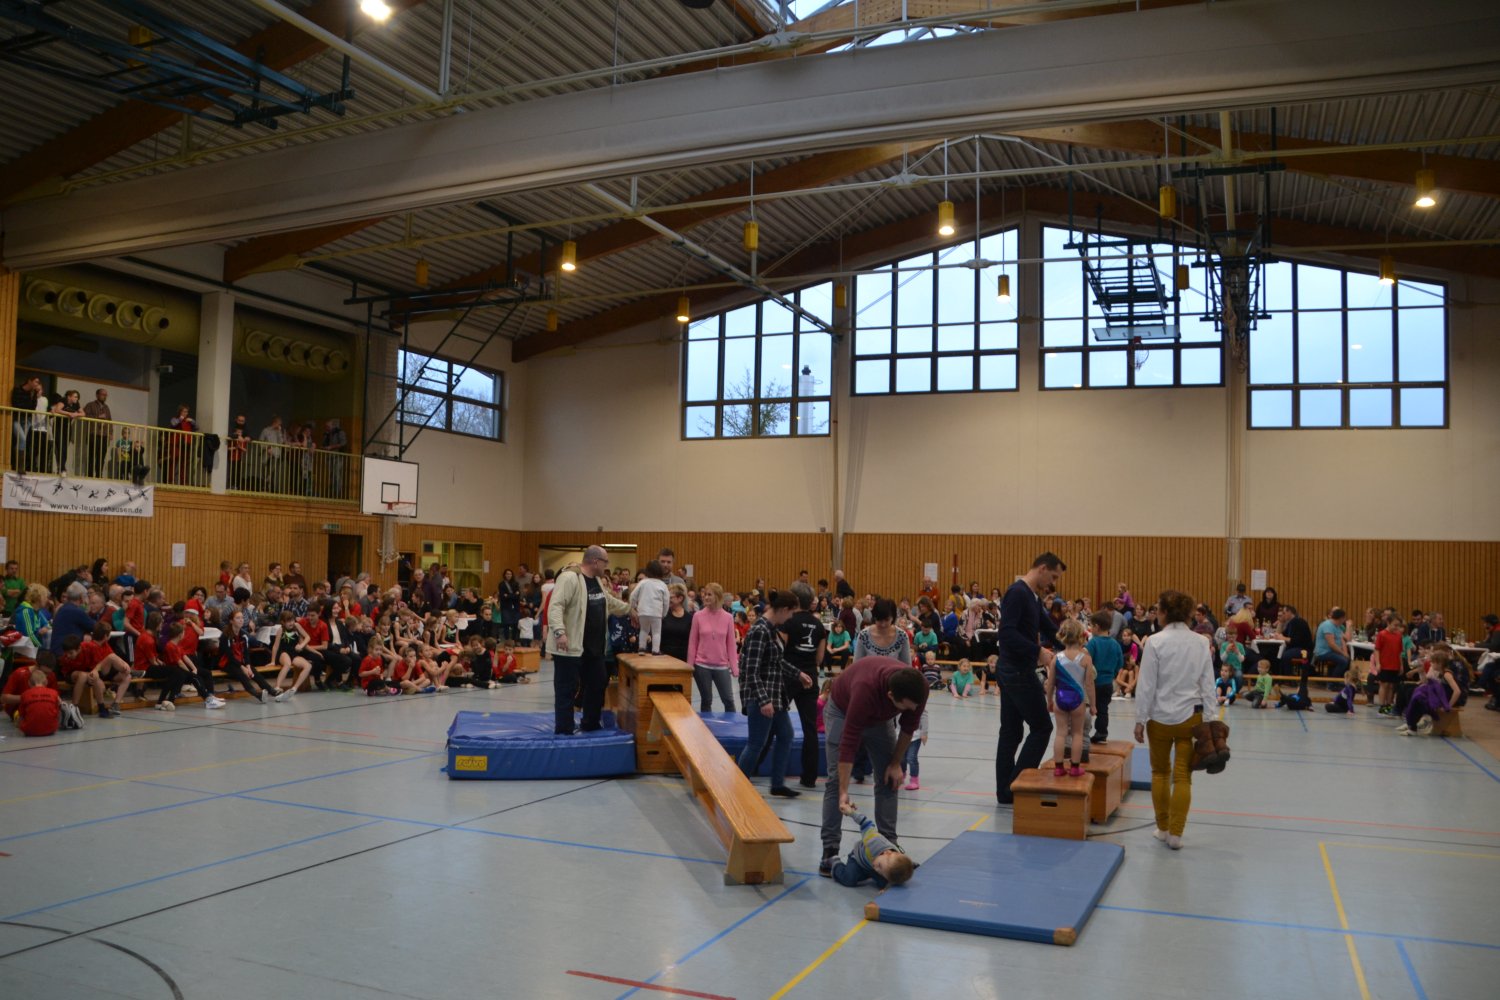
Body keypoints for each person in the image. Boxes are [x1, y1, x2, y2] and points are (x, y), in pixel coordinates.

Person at [817, 655, 927, 877]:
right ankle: (830, 851)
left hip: (879, 719)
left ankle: (889, 847)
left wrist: (895, 764)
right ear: (891, 696)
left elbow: (908, 728)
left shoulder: (919, 688)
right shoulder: (864, 689)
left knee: (890, 778)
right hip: (842, 710)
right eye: (906, 707)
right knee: (836, 783)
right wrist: (844, 790)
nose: (913, 709)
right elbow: (849, 742)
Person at [1134, 590, 1218, 851]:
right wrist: (1212, 719)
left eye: (1158, 609)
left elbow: (1146, 685)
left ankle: (1163, 828)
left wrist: (1139, 719)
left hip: (1158, 719)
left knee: (1160, 773)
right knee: (1183, 777)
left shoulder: (1154, 642)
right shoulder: (1201, 642)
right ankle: (1176, 835)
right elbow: (1208, 683)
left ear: (1164, 613)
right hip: (1190, 718)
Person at [994, 553, 1065, 805]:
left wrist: (1074, 645)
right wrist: (1038, 652)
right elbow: (1006, 633)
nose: (1052, 584)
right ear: (1042, 568)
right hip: (1016, 671)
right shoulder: (1017, 593)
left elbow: (1049, 628)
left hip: (1014, 669)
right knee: (1042, 727)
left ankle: (1006, 792)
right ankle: (1017, 785)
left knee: (1011, 732)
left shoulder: (1032, 596)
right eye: (1053, 577)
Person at [546, 545, 630, 735]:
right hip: (570, 647)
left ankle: (590, 723)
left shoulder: (596, 580)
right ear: (595, 561)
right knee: (567, 689)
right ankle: (564, 729)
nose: (607, 566)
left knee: (598, 683)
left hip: (594, 648)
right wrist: (559, 632)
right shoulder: (570, 578)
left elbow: (608, 601)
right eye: (605, 562)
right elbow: (556, 606)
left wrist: (629, 609)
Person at [736, 591, 811, 797]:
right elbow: (750, 670)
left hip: (775, 696)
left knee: (786, 735)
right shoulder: (759, 631)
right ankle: (738, 788)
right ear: (784, 610)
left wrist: (798, 674)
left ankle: (777, 784)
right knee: (756, 743)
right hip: (761, 697)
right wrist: (763, 700)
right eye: (791, 613)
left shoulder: (771, 630)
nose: (791, 618)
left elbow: (776, 661)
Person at [782, 582, 827, 789]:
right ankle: (809, 777)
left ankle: (759, 765)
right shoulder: (819, 626)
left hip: (789, 676)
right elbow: (819, 659)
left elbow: (779, 651)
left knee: (774, 720)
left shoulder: (788, 621)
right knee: (810, 728)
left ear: (795, 600)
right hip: (809, 678)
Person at [1046, 620, 1095, 776]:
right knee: (1077, 733)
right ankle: (1074, 767)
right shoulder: (1086, 659)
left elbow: (1050, 683)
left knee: (1060, 733)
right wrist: (1093, 705)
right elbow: (1089, 684)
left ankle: (1059, 767)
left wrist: (1049, 701)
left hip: (1060, 698)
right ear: (1081, 636)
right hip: (1078, 700)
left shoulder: (1056, 658)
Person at [830, 802, 914, 888]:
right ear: (887, 852)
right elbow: (865, 823)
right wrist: (851, 813)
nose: (876, 869)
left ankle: (873, 875)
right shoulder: (874, 841)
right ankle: (835, 862)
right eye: (879, 866)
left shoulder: (886, 863)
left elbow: (893, 867)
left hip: (870, 863)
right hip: (858, 859)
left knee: (885, 882)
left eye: (880, 870)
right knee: (849, 879)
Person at [686, 582, 738, 713]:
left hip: (722, 666)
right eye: (704, 594)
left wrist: (734, 666)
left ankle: (732, 724)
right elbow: (693, 642)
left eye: (709, 594)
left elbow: (731, 644)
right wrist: (689, 666)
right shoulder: (698, 616)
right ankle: (705, 725)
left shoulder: (728, 618)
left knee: (729, 700)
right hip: (701, 666)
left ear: (718, 596)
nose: (705, 597)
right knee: (706, 700)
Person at [1396, 651, 1460, 736]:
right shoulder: (1439, 673)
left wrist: (1448, 706)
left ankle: (1412, 726)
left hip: (1443, 700)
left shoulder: (1447, 674)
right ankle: (1411, 724)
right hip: (1438, 697)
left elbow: (1457, 691)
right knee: (1416, 698)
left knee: (1418, 700)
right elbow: (1427, 682)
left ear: (1439, 663)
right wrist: (1422, 672)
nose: (1431, 664)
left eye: (1433, 662)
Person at [1086, 611, 1123, 742]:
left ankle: (1084, 731)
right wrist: (1112, 673)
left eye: (1091, 626)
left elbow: (1086, 661)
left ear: (1096, 626)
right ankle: (1102, 733)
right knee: (1103, 709)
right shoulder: (1115, 644)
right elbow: (1120, 663)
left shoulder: (1093, 643)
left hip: (1093, 683)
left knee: (1087, 707)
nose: (1090, 628)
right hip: (1108, 683)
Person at [630, 560, 671, 654]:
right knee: (656, 632)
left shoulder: (642, 582)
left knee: (644, 630)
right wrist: (664, 613)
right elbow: (666, 601)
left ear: (647, 571)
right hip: (656, 612)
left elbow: (633, 596)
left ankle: (641, 648)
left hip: (642, 611)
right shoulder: (662, 585)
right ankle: (655, 650)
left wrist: (633, 606)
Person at [852, 598, 910, 665]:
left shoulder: (902, 636)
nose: (883, 624)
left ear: (893, 618)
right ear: (874, 618)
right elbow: (856, 665)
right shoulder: (864, 635)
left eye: (887, 620)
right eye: (879, 620)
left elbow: (907, 666)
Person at [1372, 618, 1406, 715]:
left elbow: (1399, 652)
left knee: (1391, 686)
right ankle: (1382, 706)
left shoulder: (1399, 636)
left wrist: (1401, 665)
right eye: (1395, 625)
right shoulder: (1382, 634)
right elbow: (1377, 650)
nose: (1396, 627)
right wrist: (1378, 663)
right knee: (1384, 685)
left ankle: (1388, 705)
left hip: (1395, 664)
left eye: (1398, 625)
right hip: (1384, 664)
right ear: (1388, 623)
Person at [14, 667, 60, 737]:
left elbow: (21, 715)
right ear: (46, 682)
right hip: (51, 729)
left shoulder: (25, 694)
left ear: (29, 683)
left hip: (29, 730)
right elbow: (57, 712)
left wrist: (18, 724)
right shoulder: (54, 693)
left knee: (17, 714)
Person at [50, 388, 83, 474]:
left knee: (64, 448)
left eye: (77, 397)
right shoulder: (63, 400)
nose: (76, 399)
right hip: (58, 426)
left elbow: (83, 413)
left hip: (67, 427)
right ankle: (61, 468)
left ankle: (61, 467)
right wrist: (68, 413)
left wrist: (76, 414)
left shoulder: (76, 404)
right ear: (69, 397)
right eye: (75, 397)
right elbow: (57, 410)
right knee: (60, 447)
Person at [1314, 607, 1351, 676]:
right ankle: (1333, 681)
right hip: (1323, 652)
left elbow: (1342, 640)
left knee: (1348, 659)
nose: (1344, 621)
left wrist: (1345, 653)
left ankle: (1336, 677)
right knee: (1343, 661)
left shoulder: (1337, 626)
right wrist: (1343, 653)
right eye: (1344, 618)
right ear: (1341, 618)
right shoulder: (1328, 625)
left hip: (1331, 652)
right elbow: (1332, 644)